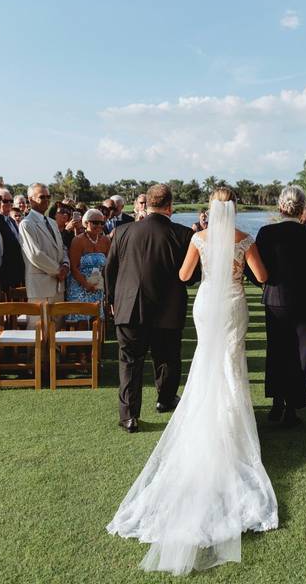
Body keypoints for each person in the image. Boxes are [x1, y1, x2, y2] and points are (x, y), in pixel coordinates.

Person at [107, 188, 276, 576]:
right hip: (231, 301)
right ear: (232, 210)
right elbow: (262, 276)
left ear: (210, 211)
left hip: (206, 301)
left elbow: (184, 276)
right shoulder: (243, 239)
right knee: (229, 361)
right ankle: (231, 420)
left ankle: (197, 412)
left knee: (205, 360)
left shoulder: (199, 238)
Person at [105, 183, 195, 433]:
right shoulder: (183, 234)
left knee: (130, 362)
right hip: (168, 308)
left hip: (129, 308)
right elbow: (191, 276)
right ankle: (165, 399)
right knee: (167, 358)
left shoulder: (122, 232)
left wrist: (112, 300)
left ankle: (129, 417)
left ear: (147, 203)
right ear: (170, 206)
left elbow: (109, 270)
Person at [254, 185, 306, 427]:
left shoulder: (266, 233)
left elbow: (255, 269)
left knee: (277, 352)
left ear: (280, 207)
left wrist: (265, 287)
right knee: (301, 354)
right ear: (303, 208)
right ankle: (291, 408)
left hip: (276, 300)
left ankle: (277, 403)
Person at [18, 183, 69, 327]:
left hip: (59, 285)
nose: (46, 200)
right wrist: (58, 270)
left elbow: (62, 247)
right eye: (42, 197)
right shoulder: (26, 224)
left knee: (57, 330)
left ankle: (56, 351)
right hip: (40, 286)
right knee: (39, 329)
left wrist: (65, 265)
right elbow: (35, 254)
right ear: (31, 199)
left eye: (48, 196)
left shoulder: (52, 223)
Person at [66, 208, 110, 324]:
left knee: (96, 320)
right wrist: (86, 284)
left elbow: (108, 264)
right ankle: (79, 342)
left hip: (97, 285)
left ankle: (97, 342)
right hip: (79, 285)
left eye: (102, 223)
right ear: (86, 223)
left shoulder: (106, 241)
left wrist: (102, 283)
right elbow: (74, 267)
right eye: (95, 222)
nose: (99, 225)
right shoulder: (78, 241)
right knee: (81, 320)